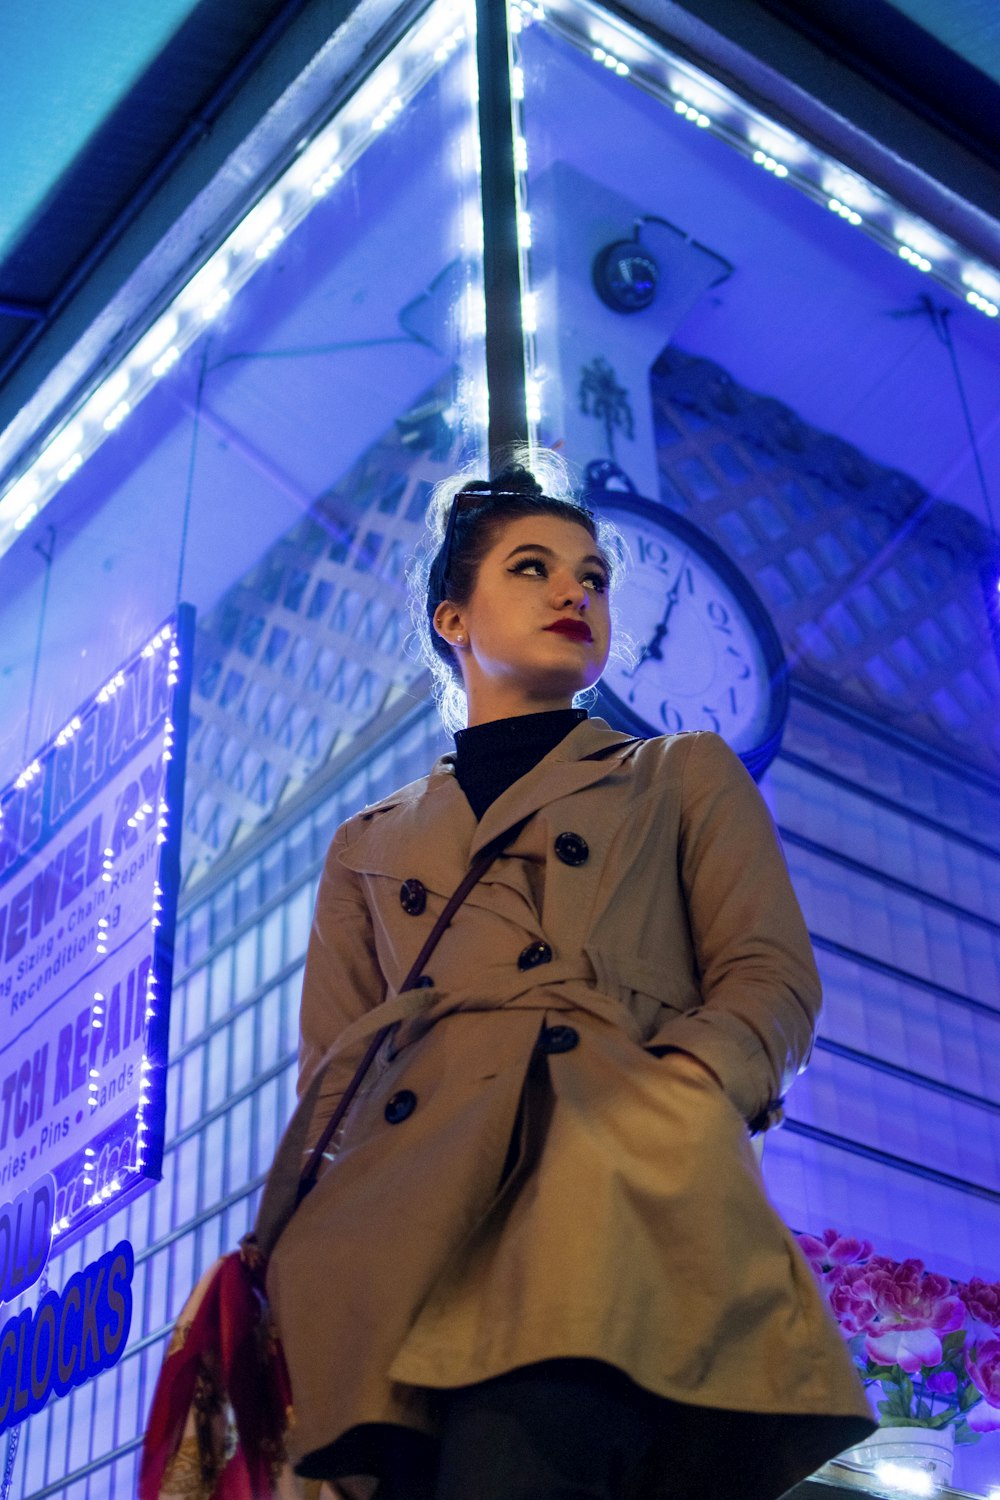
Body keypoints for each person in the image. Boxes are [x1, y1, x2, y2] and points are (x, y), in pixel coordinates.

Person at [264, 453, 875, 1500]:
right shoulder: (366, 844)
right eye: (533, 568)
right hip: (404, 1230)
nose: (574, 594)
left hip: (605, 1185)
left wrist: (677, 1096)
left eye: (592, 578)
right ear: (454, 620)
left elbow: (769, 974)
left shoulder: (678, 774)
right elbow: (336, 1069)